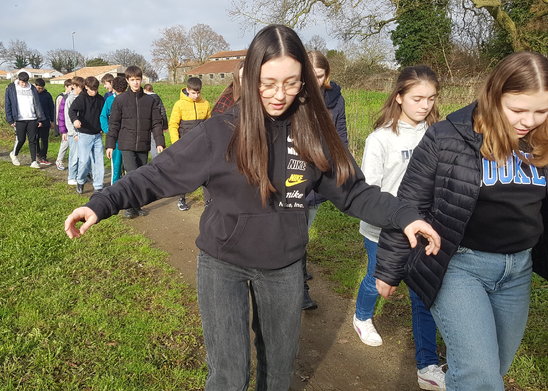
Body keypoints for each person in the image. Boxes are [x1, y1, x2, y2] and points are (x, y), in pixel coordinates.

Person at [65, 24, 441, 391]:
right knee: (229, 377)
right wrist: (103, 202)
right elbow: (157, 175)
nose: (280, 94)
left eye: (291, 83)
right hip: (222, 264)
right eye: (268, 83)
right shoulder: (220, 132)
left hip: (284, 268)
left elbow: (354, 192)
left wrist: (404, 215)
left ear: (306, 81)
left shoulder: (314, 132)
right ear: (250, 78)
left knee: (277, 375)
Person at [375, 51, 548, 391]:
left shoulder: (543, 139)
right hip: (458, 265)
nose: (529, 121)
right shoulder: (447, 136)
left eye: (541, 110)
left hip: (517, 271)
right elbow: (411, 203)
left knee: (490, 368)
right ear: (494, 95)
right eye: (517, 110)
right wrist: (389, 267)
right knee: (479, 377)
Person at [353, 65, 445, 390]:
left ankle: (428, 364)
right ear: (399, 97)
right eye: (417, 98)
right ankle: (362, 317)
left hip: (424, 231)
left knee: (422, 294)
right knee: (378, 281)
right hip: (383, 231)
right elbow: (368, 190)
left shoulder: (439, 134)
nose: (425, 106)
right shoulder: (380, 139)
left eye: (431, 99)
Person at [299, 50, 350, 310]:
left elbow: (340, 135)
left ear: (326, 74)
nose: (315, 81)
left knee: (303, 233)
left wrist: (343, 167)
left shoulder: (336, 100)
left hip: (322, 176)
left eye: (319, 75)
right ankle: (300, 289)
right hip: (295, 176)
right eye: (310, 75)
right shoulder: (295, 97)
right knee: (296, 233)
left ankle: (299, 266)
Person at [106, 65, 165, 218]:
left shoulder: (150, 101)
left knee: (141, 176)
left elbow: (156, 123)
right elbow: (114, 124)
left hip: (143, 144)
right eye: (132, 80)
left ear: (141, 80)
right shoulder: (120, 100)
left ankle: (137, 205)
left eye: (138, 80)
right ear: (127, 81)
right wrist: (110, 144)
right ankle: (129, 207)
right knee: (131, 175)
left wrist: (159, 142)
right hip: (126, 144)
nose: (135, 83)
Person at [168, 76, 211, 211]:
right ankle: (181, 198)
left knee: (206, 173)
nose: (196, 96)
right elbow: (173, 125)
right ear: (187, 90)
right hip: (184, 146)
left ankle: (208, 201)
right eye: (193, 93)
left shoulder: (206, 103)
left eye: (198, 92)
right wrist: (176, 144)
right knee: (184, 174)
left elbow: (210, 123)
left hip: (202, 146)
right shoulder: (179, 105)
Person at [69, 76, 105, 194]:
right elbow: (72, 110)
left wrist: (103, 127)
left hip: (97, 134)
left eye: (96, 89)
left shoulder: (100, 99)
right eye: (91, 89)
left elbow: (104, 115)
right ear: (86, 87)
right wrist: (75, 120)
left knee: (98, 161)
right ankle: (80, 181)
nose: (94, 92)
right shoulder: (81, 98)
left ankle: (98, 186)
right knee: (84, 161)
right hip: (84, 134)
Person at [5, 71, 46, 168]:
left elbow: (37, 104)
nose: (24, 84)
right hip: (19, 119)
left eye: (25, 82)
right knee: (21, 139)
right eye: (22, 82)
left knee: (33, 140)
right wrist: (10, 119)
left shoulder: (32, 88)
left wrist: (40, 119)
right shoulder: (11, 88)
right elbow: (8, 104)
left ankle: (33, 161)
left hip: (32, 118)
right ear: (18, 80)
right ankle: (14, 154)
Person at [100, 76, 128, 184]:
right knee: (116, 169)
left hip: (128, 139)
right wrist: (108, 130)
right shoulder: (109, 100)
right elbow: (103, 116)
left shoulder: (130, 99)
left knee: (128, 169)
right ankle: (114, 193)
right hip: (115, 140)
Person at [64, 77, 84, 185]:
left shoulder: (83, 97)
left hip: (83, 132)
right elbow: (68, 118)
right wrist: (74, 133)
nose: (82, 89)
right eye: (80, 87)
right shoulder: (70, 99)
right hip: (74, 133)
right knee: (74, 155)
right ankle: (71, 177)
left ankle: (81, 175)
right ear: (74, 86)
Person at [143, 83, 168, 159]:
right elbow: (163, 111)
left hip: (147, 123)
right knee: (157, 143)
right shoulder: (158, 98)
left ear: (145, 90)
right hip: (157, 123)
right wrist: (165, 125)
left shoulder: (144, 98)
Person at [34, 78, 55, 165]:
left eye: (41, 88)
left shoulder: (47, 95)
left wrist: (52, 121)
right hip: (34, 121)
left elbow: (51, 108)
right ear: (35, 86)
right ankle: (37, 154)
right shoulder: (32, 95)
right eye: (38, 88)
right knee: (35, 138)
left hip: (46, 121)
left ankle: (43, 156)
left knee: (44, 139)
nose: (40, 90)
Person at [55, 79, 73, 170]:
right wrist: (61, 128)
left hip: (73, 125)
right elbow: (59, 112)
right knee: (65, 144)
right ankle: (59, 160)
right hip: (65, 125)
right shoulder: (62, 97)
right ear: (66, 87)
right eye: (71, 87)